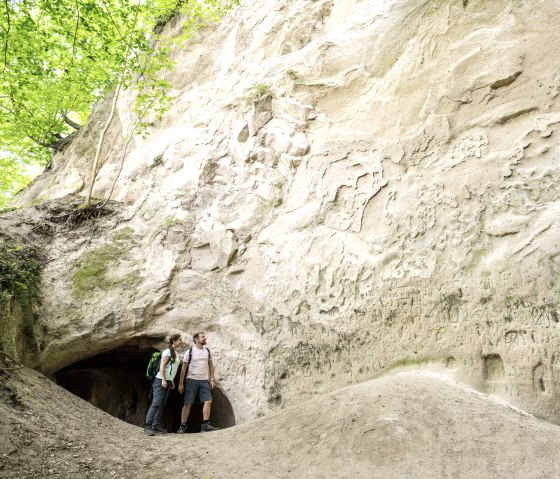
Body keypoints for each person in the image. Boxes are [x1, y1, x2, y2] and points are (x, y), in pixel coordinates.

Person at [177, 332, 219, 433]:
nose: (205, 338)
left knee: (208, 401)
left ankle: (205, 425)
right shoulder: (190, 352)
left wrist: (212, 379)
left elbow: (210, 365)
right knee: (188, 403)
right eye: (202, 337)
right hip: (191, 380)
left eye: (204, 336)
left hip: (204, 380)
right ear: (196, 340)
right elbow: (183, 368)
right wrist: (181, 383)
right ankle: (182, 426)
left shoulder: (207, 351)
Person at [143, 334, 182, 436]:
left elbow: (171, 368)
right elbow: (162, 366)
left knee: (161, 404)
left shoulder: (175, 353)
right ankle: (147, 427)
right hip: (160, 380)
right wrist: (164, 380)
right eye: (179, 340)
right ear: (174, 341)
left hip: (168, 381)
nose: (181, 342)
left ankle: (156, 426)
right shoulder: (167, 351)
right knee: (156, 403)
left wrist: (171, 380)